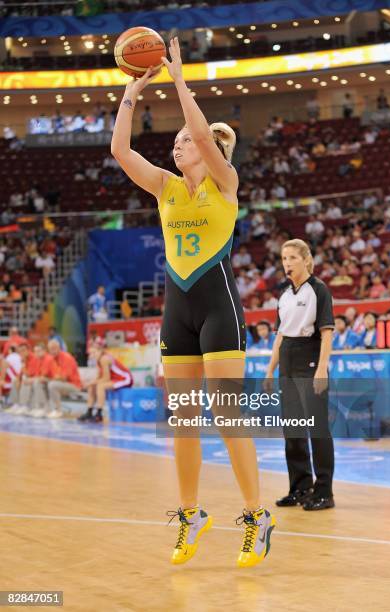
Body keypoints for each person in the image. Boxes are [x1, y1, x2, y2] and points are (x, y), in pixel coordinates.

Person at [111, 38, 274, 568]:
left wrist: (179, 79)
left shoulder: (226, 184)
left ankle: (256, 515)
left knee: (229, 417)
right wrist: (131, 94)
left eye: (184, 142)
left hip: (219, 310)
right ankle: (190, 513)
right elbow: (120, 152)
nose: (177, 147)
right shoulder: (166, 188)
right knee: (182, 419)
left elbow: (202, 131)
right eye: (177, 143)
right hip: (176, 312)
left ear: (206, 151)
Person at [265, 239, 335, 511]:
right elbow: (280, 335)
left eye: (293, 257)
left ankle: (324, 491)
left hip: (309, 358)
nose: (287, 263)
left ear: (306, 260)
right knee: (292, 430)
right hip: (288, 361)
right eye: (284, 258)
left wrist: (321, 369)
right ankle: (300, 486)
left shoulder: (319, 290)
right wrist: (270, 369)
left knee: (317, 429)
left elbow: (327, 332)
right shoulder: (283, 295)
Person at [78, 343, 132, 423]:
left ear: (100, 351)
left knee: (100, 386)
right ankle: (89, 411)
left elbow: (106, 378)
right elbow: (99, 377)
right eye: (90, 353)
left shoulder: (104, 359)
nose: (92, 355)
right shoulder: (98, 360)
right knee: (92, 386)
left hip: (125, 379)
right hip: (115, 379)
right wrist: (90, 383)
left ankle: (99, 413)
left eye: (94, 352)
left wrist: (90, 383)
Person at [43, 340, 82, 418]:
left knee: (52, 384)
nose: (52, 351)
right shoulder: (51, 359)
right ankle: (44, 409)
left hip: (74, 385)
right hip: (61, 383)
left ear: (59, 348)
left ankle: (58, 410)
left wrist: (50, 378)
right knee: (40, 383)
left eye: (54, 348)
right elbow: (45, 374)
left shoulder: (66, 357)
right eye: (50, 349)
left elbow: (64, 378)